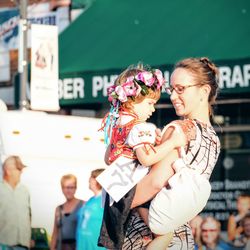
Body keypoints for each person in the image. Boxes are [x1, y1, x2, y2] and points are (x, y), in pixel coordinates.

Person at [128, 57, 221, 250]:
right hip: (180, 239)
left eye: (181, 89)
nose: (172, 96)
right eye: (172, 89)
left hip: (144, 238)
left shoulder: (179, 129)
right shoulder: (213, 139)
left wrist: (119, 202)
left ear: (204, 91)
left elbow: (154, 183)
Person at [97, 63, 186, 249]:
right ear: (133, 99)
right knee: (164, 233)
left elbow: (108, 158)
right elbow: (147, 158)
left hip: (116, 190)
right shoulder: (140, 127)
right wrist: (172, 143)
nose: (153, 109)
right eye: (150, 103)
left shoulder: (116, 125)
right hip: (135, 187)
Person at [0, 155, 31, 250]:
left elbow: (29, 215)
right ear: (8, 171)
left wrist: (29, 240)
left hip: (23, 246)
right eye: (19, 168)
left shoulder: (25, 191)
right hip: (3, 245)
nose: (21, 172)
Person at [50, 174, 84, 250]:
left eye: (71, 187)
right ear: (62, 188)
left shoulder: (83, 205)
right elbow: (55, 233)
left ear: (76, 188)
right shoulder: (58, 209)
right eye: (66, 187)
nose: (69, 190)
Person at [76, 168, 106, 250]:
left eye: (92, 177)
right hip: (83, 245)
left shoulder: (106, 200)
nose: (89, 180)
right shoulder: (91, 200)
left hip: (96, 247)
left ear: (99, 180)